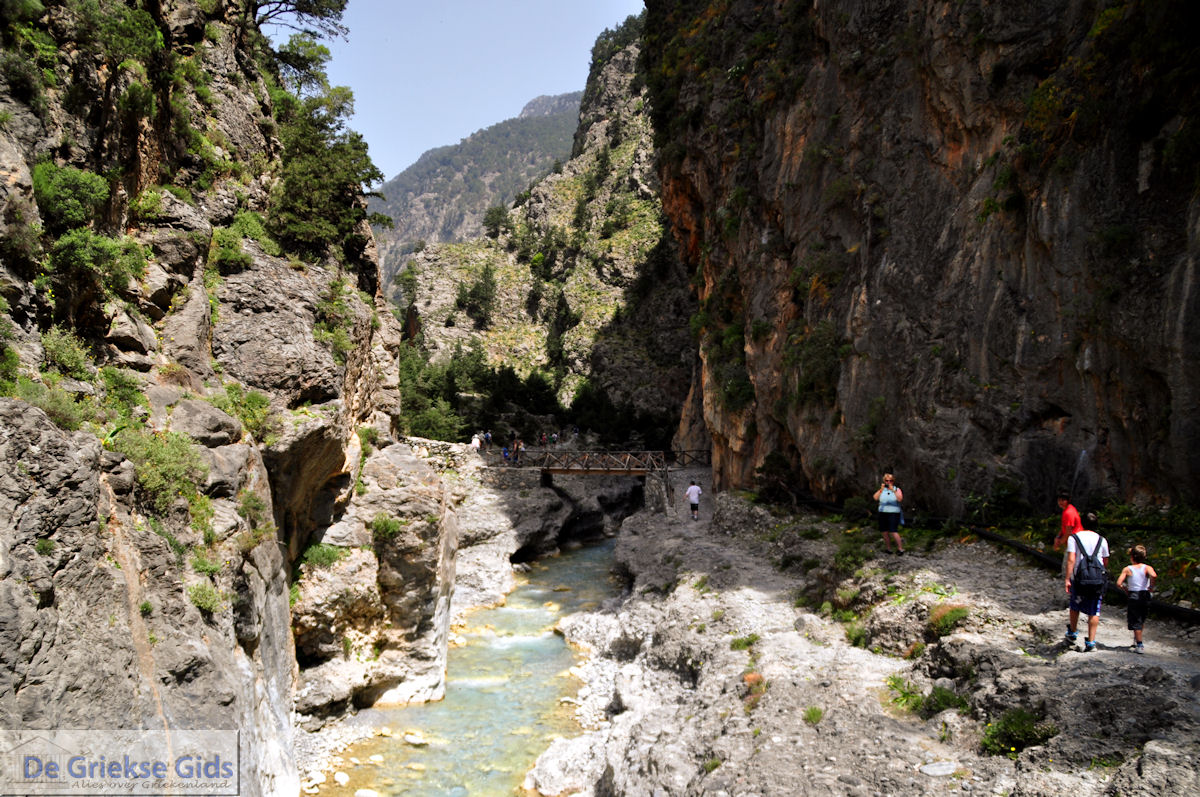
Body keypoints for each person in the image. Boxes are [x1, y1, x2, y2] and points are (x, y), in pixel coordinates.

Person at [1064, 513, 1109, 652]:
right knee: (1094, 610)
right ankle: (1091, 642)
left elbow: (1071, 559)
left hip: (1079, 578)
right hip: (1096, 580)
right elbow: (1105, 561)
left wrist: (1067, 578)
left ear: (1082, 523)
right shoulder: (1102, 540)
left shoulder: (1074, 538)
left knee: (1075, 605)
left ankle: (1072, 632)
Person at [1116, 544, 1157, 654]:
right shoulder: (1147, 568)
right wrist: (1151, 587)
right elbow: (1154, 575)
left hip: (1134, 595)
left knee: (1135, 619)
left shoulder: (1127, 569)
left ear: (1132, 557)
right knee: (1142, 618)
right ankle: (1137, 639)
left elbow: (1119, 583)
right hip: (1145, 595)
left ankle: (1139, 644)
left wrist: (1126, 589)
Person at [873, 473, 904, 555]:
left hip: (893, 513)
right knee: (884, 531)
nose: (888, 482)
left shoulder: (897, 489)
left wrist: (893, 490)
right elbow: (875, 497)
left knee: (893, 530)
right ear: (884, 481)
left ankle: (900, 548)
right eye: (887, 481)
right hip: (882, 512)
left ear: (893, 481)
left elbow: (900, 499)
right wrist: (881, 490)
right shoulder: (882, 490)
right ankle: (888, 548)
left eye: (890, 481)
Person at [1054, 491, 1084, 576]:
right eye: (1059, 500)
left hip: (1075, 539)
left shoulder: (1069, 512)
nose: (1060, 503)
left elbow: (1068, 531)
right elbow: (1064, 528)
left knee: (1069, 560)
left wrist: (1060, 542)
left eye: (1063, 500)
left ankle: (1068, 578)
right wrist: (1058, 537)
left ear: (1067, 501)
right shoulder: (1067, 510)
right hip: (1072, 538)